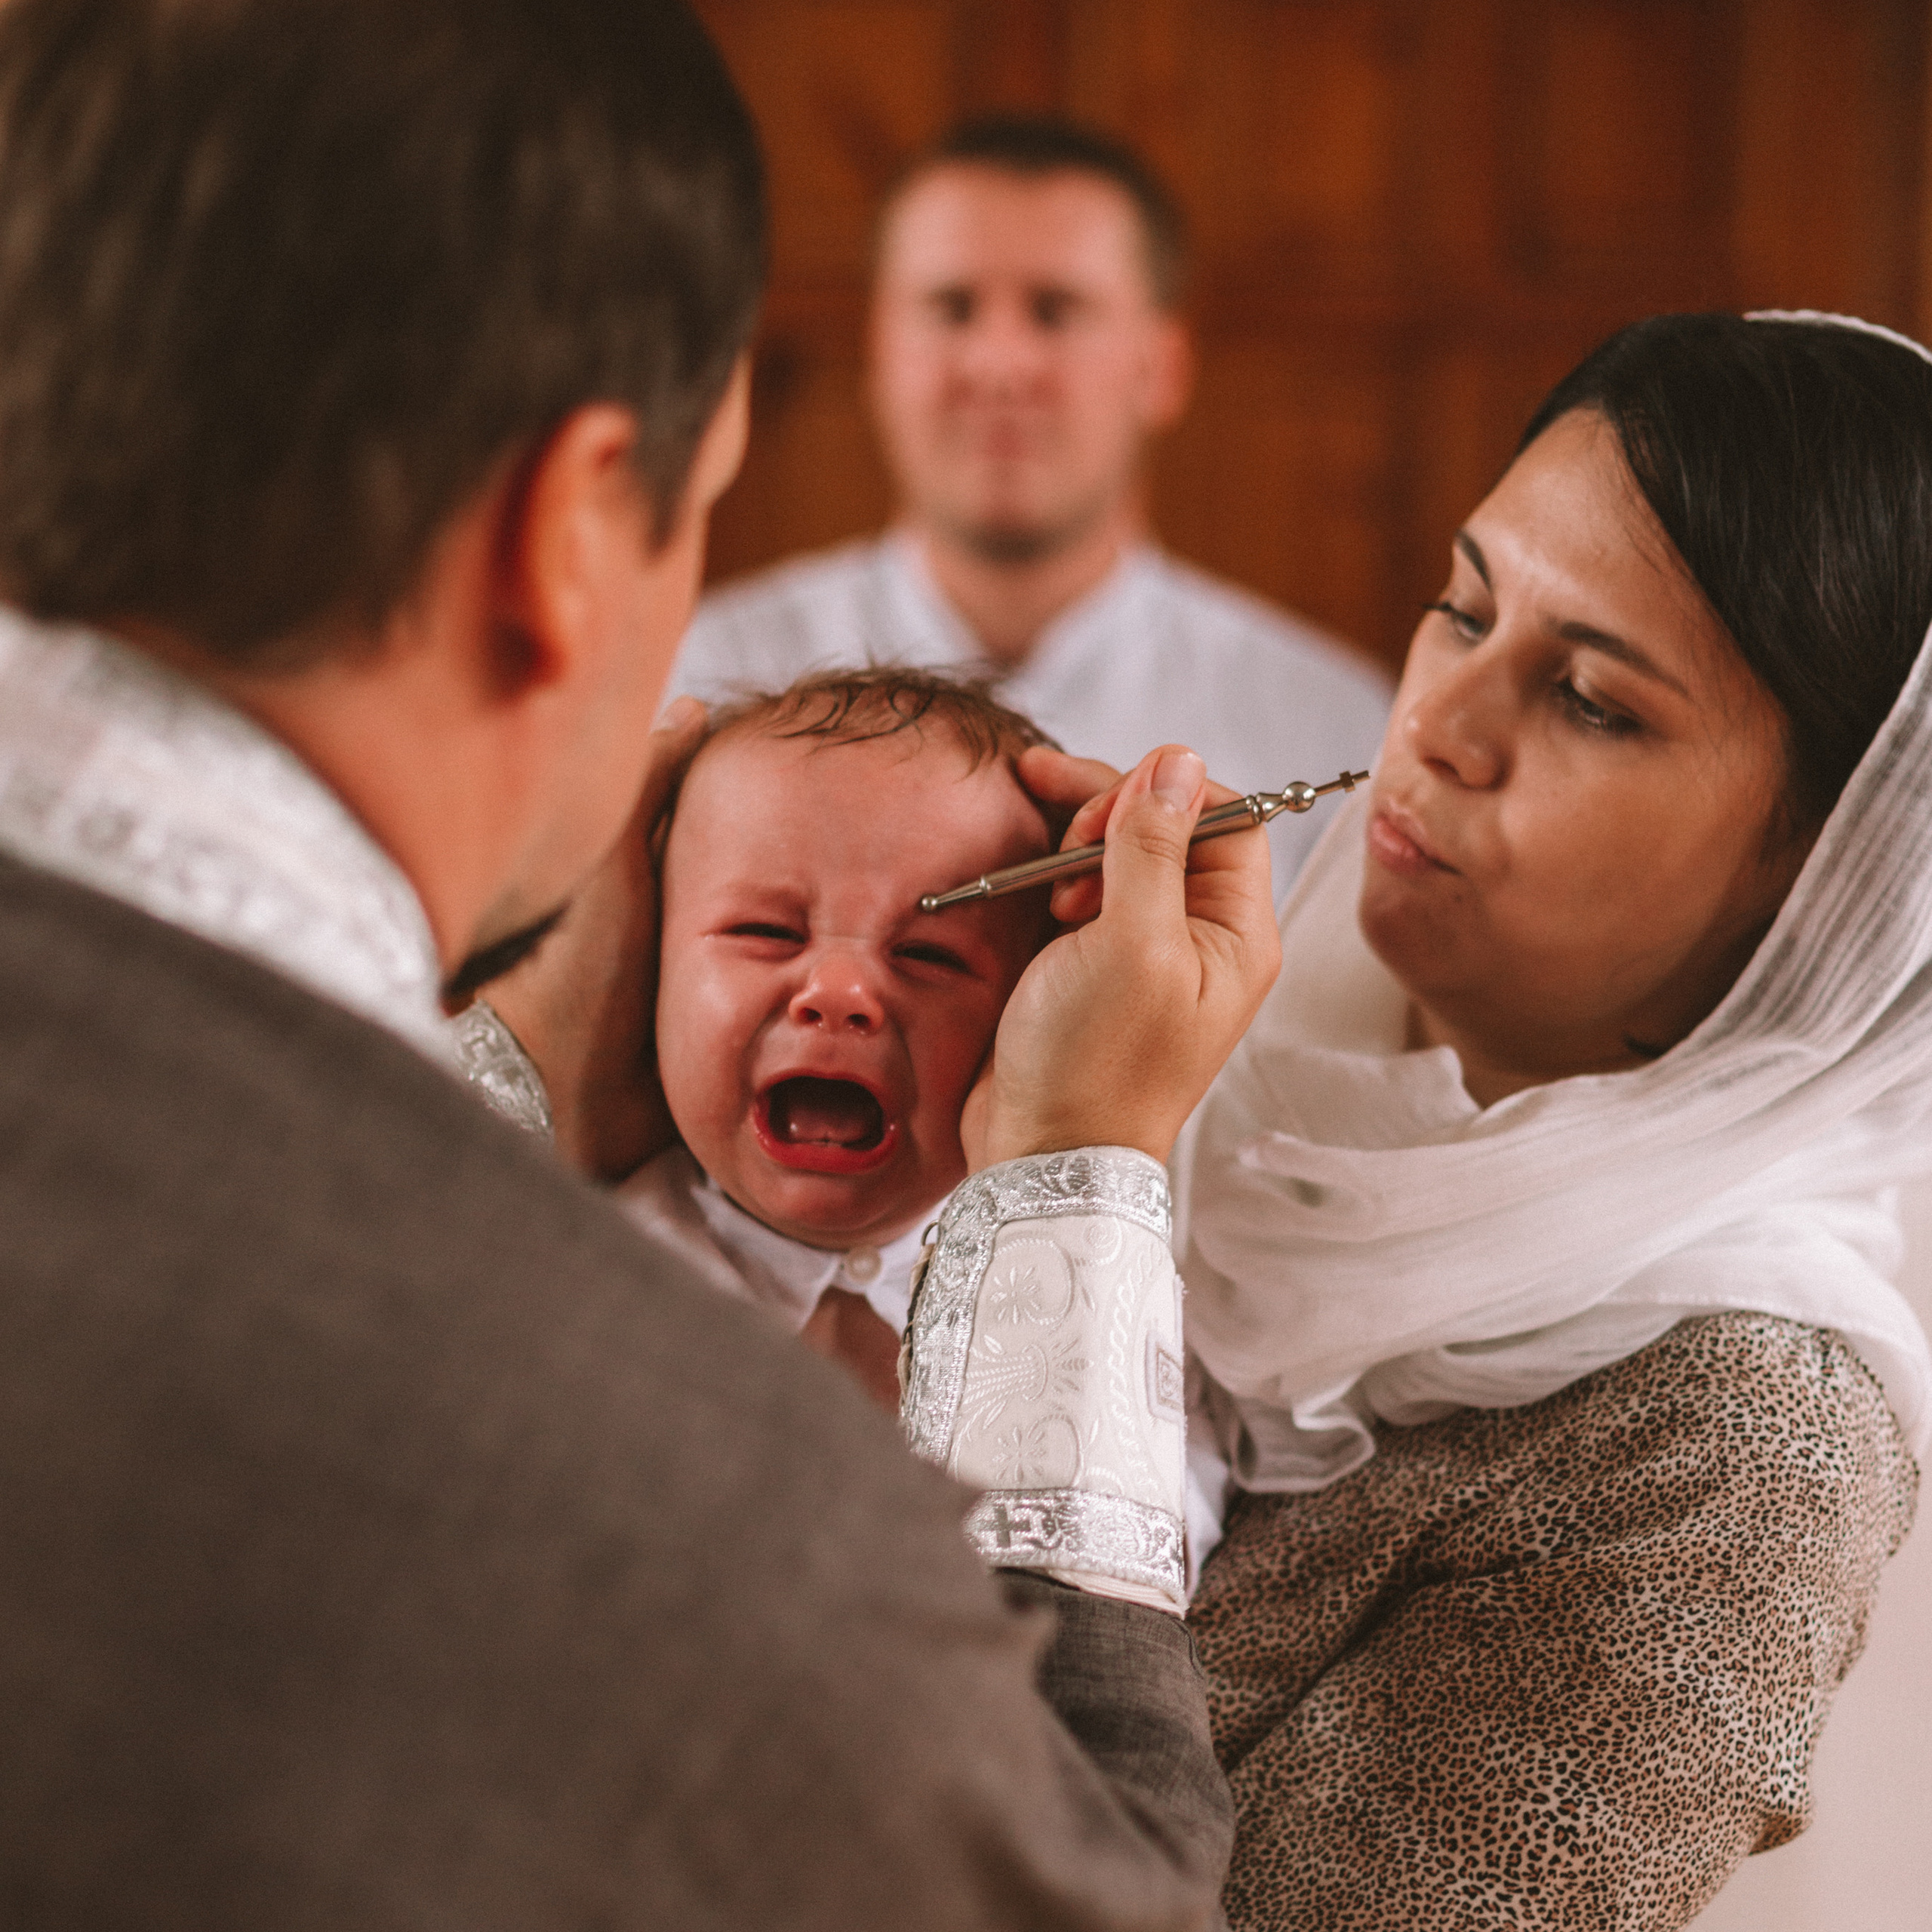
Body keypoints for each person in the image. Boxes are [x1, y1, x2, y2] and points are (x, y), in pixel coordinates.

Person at [0, 3, 1284, 1925]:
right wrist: (1079, 1178)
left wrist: (514, 1055)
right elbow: (1074, 1885)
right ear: (571, 530)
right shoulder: (687, 1517)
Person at [1160, 312, 1932, 1928]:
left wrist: (1052, 1200)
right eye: (1459, 607)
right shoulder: (1231, 1077)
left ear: (1827, 871)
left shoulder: (1735, 1445)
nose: (1434, 724)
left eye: (1587, 699)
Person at [668, 112, 1390, 892]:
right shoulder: (701, 685)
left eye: (1054, 310)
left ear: (1161, 367)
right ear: (879, 355)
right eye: (952, 307)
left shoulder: (1333, 730)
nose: (1000, 365)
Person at [620, 667, 1060, 1411]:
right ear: (646, 959)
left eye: (928, 955)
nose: (838, 993)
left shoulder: (1079, 1276)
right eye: (763, 932)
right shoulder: (593, 1264)